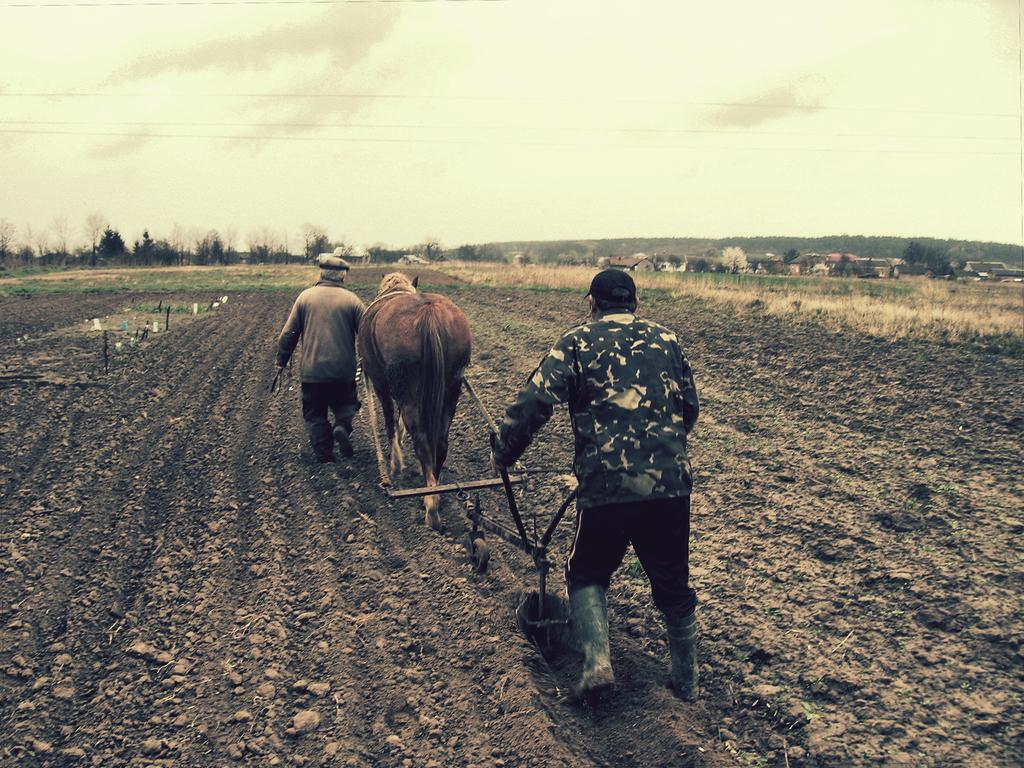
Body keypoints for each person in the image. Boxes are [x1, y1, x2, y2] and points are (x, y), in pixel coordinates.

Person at [491, 268, 700, 703]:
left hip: (607, 485)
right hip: (671, 485)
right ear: (636, 304)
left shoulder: (576, 342)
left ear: (592, 302)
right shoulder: (668, 341)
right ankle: (687, 682)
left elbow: (536, 402)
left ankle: (598, 665)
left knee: (586, 572)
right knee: (673, 582)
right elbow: (690, 409)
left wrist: (505, 452)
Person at [276, 252, 365, 463]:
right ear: (342, 276)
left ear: (321, 273)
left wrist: (281, 361)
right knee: (347, 405)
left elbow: (289, 334)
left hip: (312, 372)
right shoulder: (353, 300)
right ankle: (342, 426)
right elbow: (368, 332)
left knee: (315, 414)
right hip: (343, 372)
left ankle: (324, 455)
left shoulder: (305, 298)